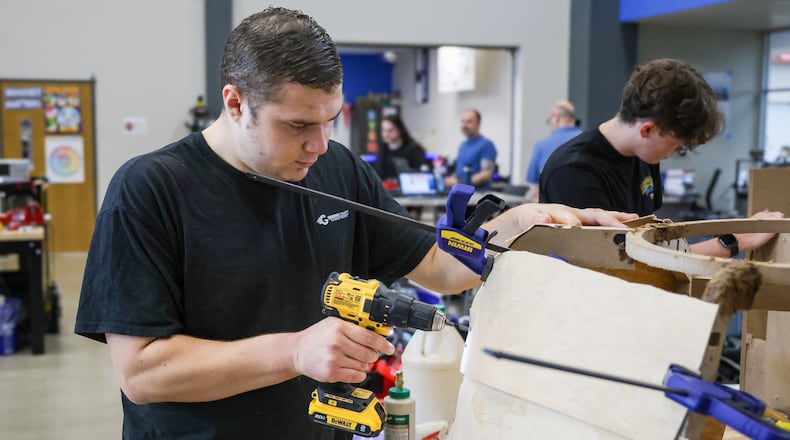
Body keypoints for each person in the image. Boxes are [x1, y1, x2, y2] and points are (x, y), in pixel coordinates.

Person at [74, 7, 637, 439]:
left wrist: (525, 224)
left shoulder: (336, 166)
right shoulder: (150, 189)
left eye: (330, 120)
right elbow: (143, 374)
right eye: (297, 125)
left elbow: (440, 268)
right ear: (235, 102)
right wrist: (293, 353)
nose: (319, 144)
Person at [540, 58, 783, 257]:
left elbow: (652, 242)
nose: (676, 154)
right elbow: (619, 263)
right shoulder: (573, 172)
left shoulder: (645, 157)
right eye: (677, 146)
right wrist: (732, 243)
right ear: (647, 129)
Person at [525, 100, 582, 202]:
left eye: (548, 121)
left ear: (556, 118)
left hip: (550, 213)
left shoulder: (541, 145)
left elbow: (533, 187)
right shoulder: (588, 141)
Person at [444, 109, 497, 190]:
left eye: (469, 122)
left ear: (478, 124)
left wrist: (459, 183)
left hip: (477, 195)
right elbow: (459, 170)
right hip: (461, 192)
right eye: (463, 121)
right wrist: (450, 179)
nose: (464, 125)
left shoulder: (486, 144)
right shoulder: (463, 145)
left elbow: (487, 173)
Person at [373, 114, 427, 182]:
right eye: (383, 130)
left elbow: (421, 174)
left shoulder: (413, 150)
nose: (386, 134)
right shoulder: (383, 150)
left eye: (390, 130)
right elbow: (378, 174)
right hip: (386, 189)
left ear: (400, 130)